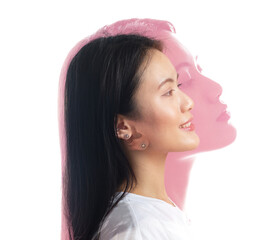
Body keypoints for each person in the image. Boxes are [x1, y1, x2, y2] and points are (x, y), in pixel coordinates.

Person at [58, 18, 236, 240]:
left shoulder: (151, 216)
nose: (188, 103)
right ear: (124, 127)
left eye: (178, 85)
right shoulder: (138, 228)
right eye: (168, 91)